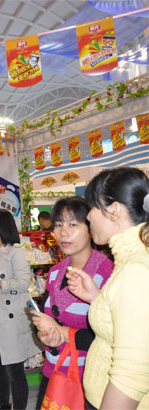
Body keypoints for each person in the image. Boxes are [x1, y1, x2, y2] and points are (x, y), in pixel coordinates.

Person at [62, 167, 149, 409]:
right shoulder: (129, 260)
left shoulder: (136, 270)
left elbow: (131, 375)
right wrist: (97, 298)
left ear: (115, 210)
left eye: (93, 207)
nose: (89, 217)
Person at [29, 197, 113, 409]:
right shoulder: (55, 272)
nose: (63, 232)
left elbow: (111, 337)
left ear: (91, 229)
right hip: (54, 373)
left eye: (73, 225)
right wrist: (44, 333)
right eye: (58, 225)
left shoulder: (107, 273)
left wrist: (62, 332)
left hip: (89, 381)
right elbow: (45, 318)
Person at [0, 209, 41, 410]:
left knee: (15, 371)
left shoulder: (16, 252)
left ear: (1, 228)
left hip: (10, 320)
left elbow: (23, 283)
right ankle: (1, 405)